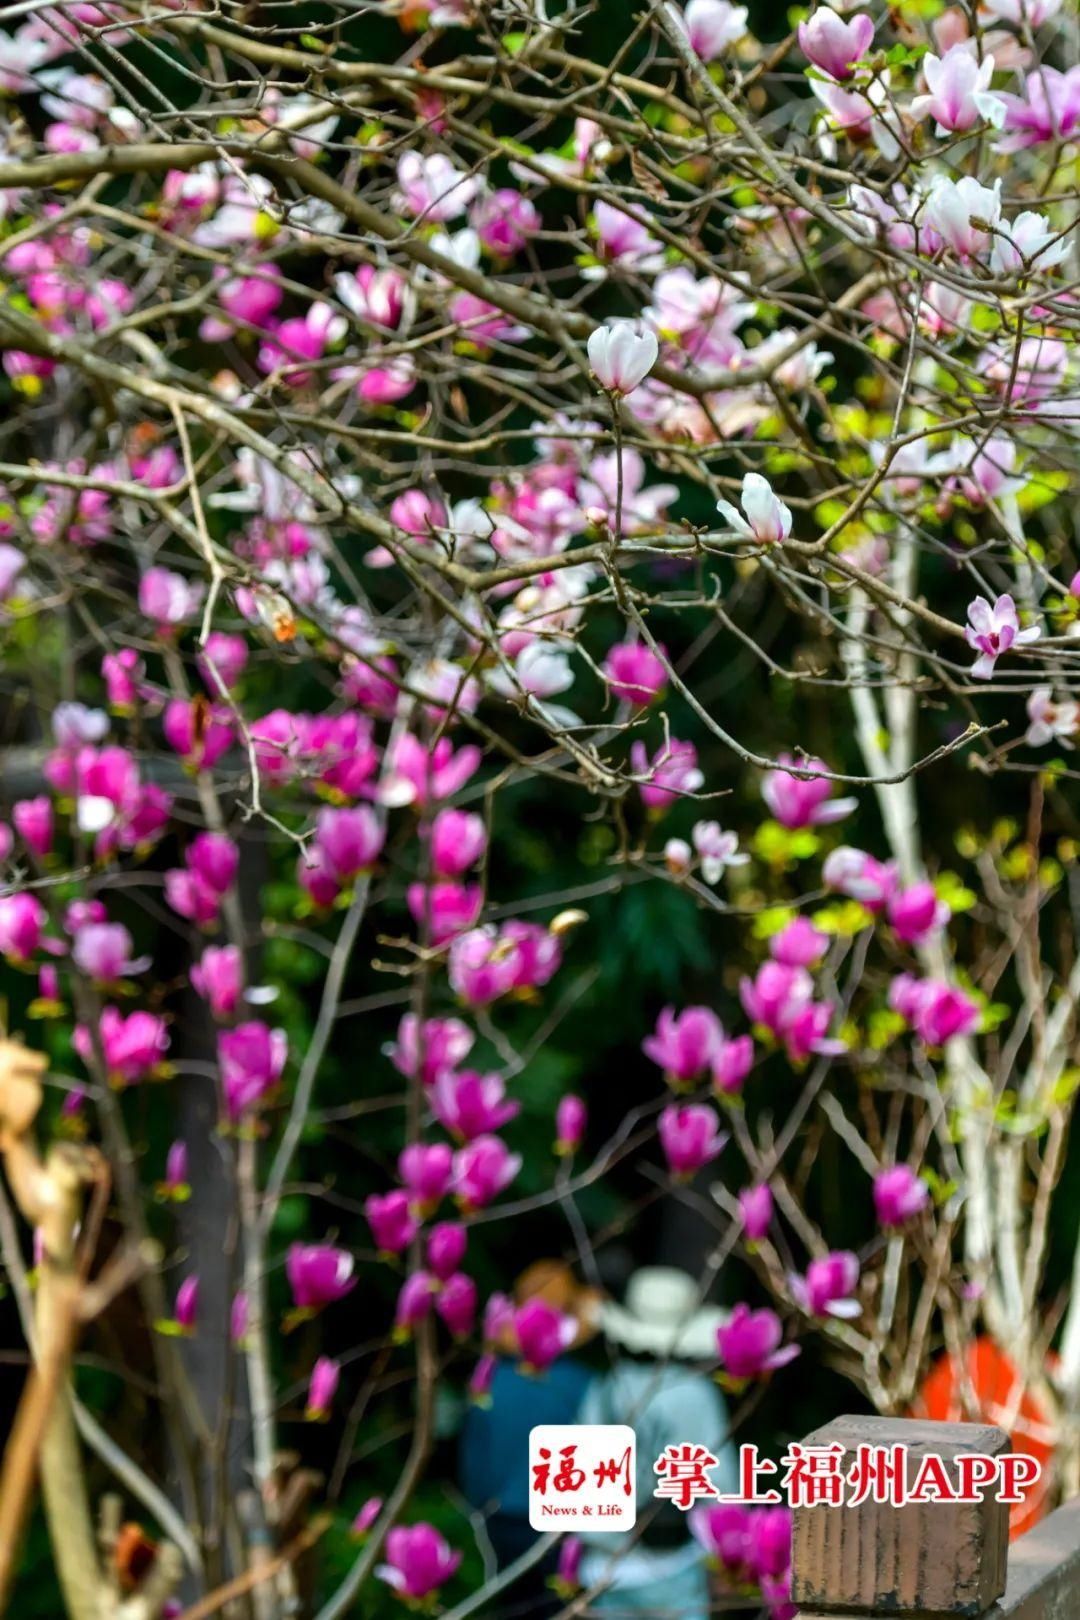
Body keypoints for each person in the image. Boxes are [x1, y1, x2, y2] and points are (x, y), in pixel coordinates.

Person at [575, 1266, 738, 1620]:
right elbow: (721, 1486)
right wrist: (729, 1558)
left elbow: (578, 1484)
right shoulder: (695, 1394)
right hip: (673, 1566)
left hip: (607, 1567)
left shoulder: (606, 1388)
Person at [460, 1259, 601, 1612]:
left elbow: (476, 1461)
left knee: (510, 1607)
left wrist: (481, 1504)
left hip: (501, 1517)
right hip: (560, 1523)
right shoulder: (583, 1385)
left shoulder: (490, 1381)